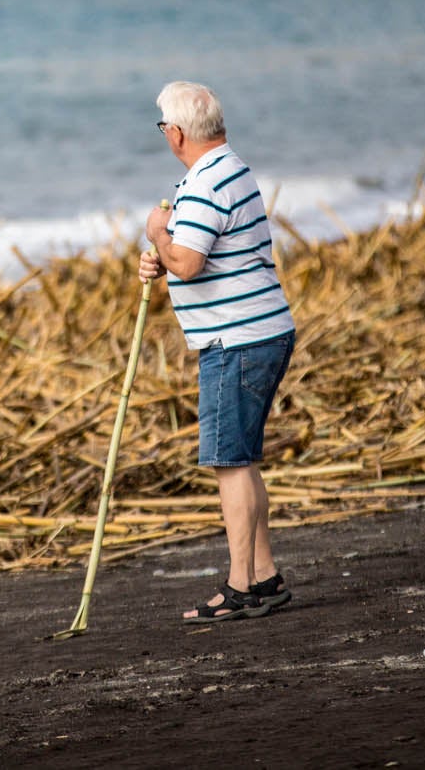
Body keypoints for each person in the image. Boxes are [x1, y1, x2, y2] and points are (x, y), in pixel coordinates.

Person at [138, 81, 296, 622]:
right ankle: (264, 577)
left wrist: (159, 236)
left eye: (163, 127)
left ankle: (240, 586)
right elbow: (192, 254)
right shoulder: (226, 169)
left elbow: (189, 262)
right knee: (243, 462)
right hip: (253, 332)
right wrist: (159, 256)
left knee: (230, 463)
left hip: (239, 339)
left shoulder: (207, 181)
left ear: (176, 133)